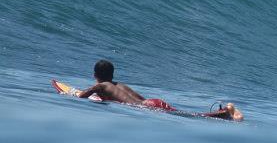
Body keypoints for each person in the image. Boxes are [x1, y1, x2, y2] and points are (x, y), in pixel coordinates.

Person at [76, 59, 242, 121]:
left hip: (147, 107)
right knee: (186, 114)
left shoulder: (101, 86)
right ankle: (224, 113)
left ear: (95, 75)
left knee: (190, 117)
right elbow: (136, 99)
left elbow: (82, 95)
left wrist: (75, 93)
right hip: (152, 102)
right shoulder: (120, 85)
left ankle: (225, 113)